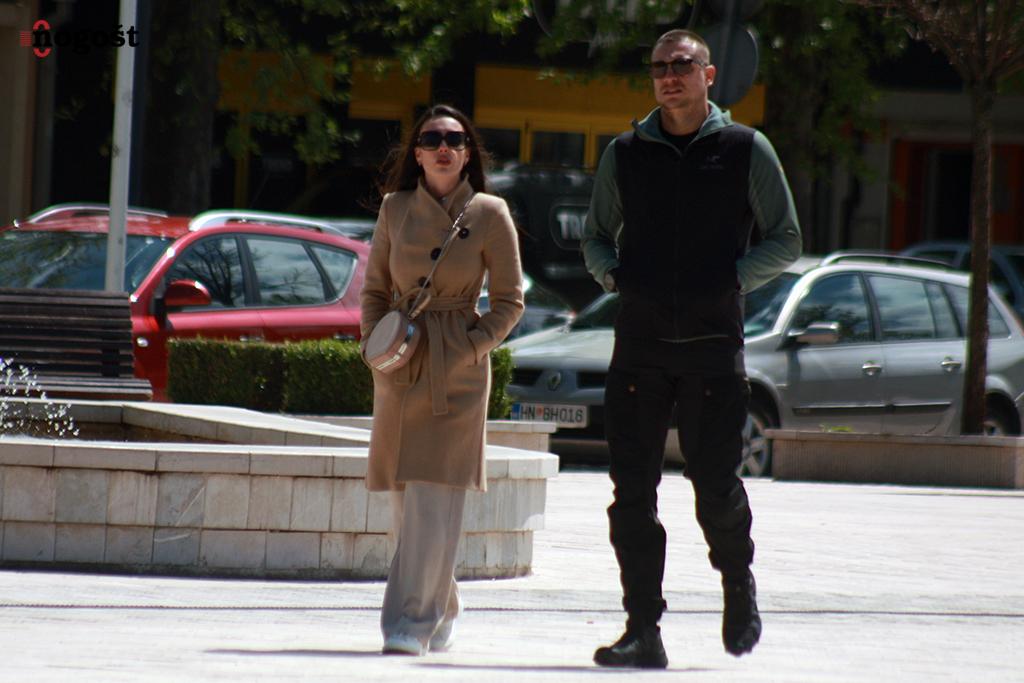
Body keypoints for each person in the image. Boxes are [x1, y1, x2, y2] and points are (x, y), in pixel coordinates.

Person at [581, 29, 802, 668]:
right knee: (631, 495)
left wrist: (733, 278)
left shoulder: (745, 148)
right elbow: (595, 237)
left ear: (708, 75)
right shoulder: (625, 153)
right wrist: (616, 278)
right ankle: (642, 630)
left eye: (681, 65)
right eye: (659, 67)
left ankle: (737, 580)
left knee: (715, 486)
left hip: (712, 349)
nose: (668, 76)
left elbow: (785, 238)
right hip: (639, 349)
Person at [360, 104, 524, 656]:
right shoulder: (395, 208)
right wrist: (374, 346)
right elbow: (374, 290)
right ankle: (445, 605)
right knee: (403, 501)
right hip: (401, 360)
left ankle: (410, 623)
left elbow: (510, 301)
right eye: (431, 140)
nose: (443, 148)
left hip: (455, 366)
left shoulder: (490, 212)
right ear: (417, 153)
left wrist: (471, 349)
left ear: (469, 151)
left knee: (434, 499)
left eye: (455, 139)